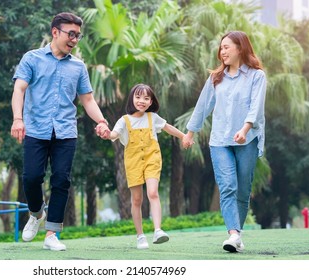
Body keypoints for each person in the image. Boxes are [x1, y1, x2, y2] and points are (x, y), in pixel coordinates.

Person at [10, 12, 110, 251]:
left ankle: (51, 234)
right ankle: (36, 212)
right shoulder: (32, 59)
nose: (74, 39)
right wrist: (17, 119)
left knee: (61, 181)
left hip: (66, 130)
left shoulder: (78, 66)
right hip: (35, 128)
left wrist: (102, 121)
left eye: (78, 35)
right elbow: (19, 90)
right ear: (55, 32)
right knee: (32, 177)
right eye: (70, 34)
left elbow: (87, 100)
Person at [182, 31, 266, 253]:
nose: (223, 51)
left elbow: (256, 107)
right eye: (221, 48)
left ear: (240, 48)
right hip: (219, 140)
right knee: (227, 185)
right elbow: (202, 106)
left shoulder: (257, 76)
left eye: (227, 47)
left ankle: (237, 234)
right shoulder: (216, 78)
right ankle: (233, 234)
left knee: (242, 189)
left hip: (246, 140)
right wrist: (190, 133)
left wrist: (245, 129)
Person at [107, 84, 186, 249]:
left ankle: (158, 230)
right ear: (132, 99)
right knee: (137, 200)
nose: (141, 101)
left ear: (151, 102)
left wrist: (183, 136)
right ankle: (140, 236)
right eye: (138, 97)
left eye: (146, 98)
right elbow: (114, 134)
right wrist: (106, 133)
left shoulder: (152, 117)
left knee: (152, 192)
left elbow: (167, 127)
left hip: (152, 159)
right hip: (133, 161)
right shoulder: (124, 120)